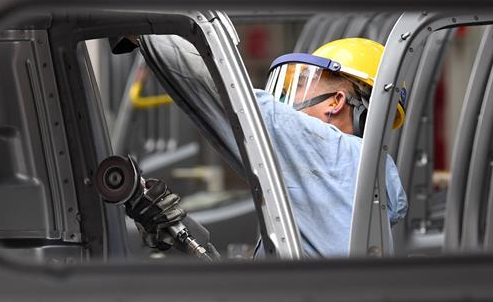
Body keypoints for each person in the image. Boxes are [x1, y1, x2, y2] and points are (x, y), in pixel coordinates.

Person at [129, 37, 408, 258]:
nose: (289, 98)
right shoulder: (362, 172)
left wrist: (149, 30)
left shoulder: (331, 150)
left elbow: (223, 90)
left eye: (301, 84)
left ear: (336, 101)